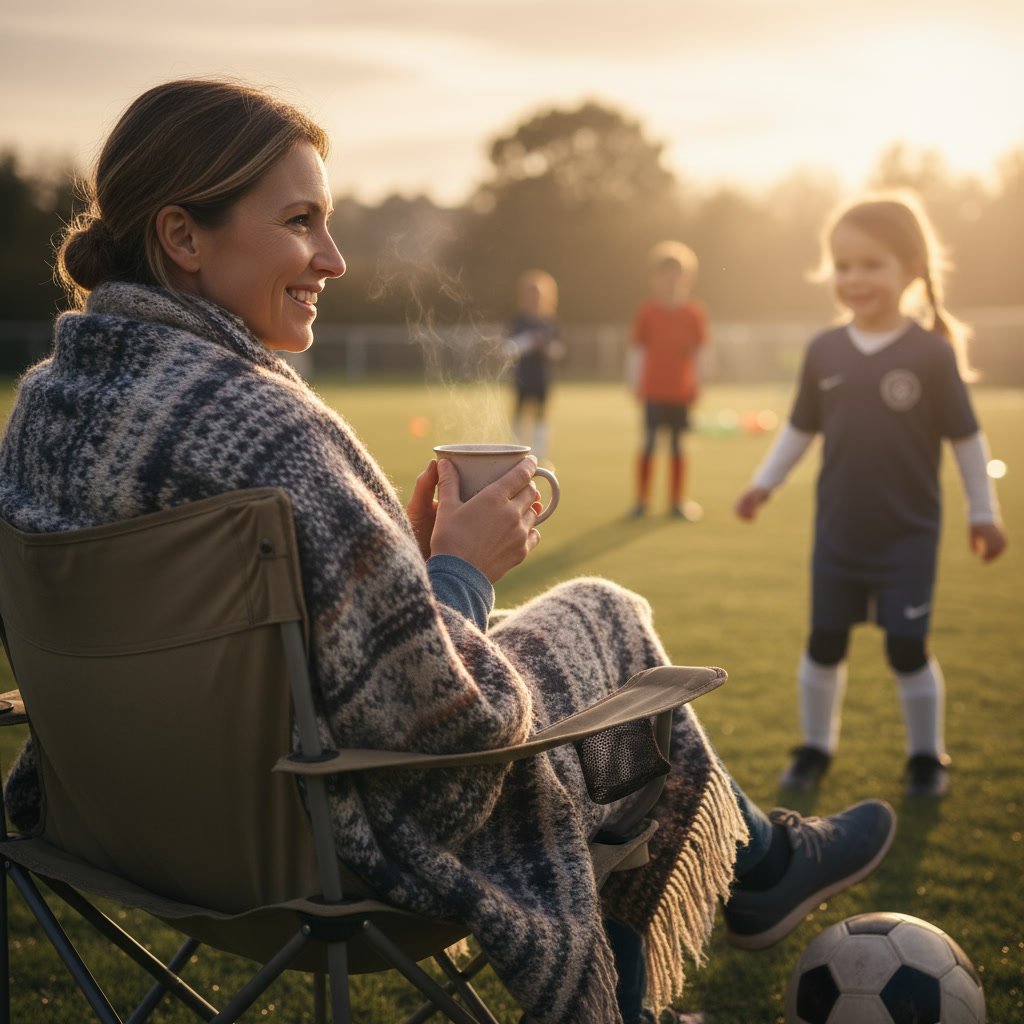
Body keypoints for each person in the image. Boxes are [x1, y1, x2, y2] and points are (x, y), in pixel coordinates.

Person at [0, 81, 896, 1024]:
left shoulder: (43, 412)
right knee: (607, 625)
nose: (334, 259)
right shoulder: (267, 428)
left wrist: (397, 572)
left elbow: (269, 659)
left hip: (124, 830)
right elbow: (447, 732)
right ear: (183, 236)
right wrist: (461, 572)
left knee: (584, 684)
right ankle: (746, 876)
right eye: (302, 221)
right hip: (324, 843)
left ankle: (754, 869)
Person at [735, 193, 1008, 799]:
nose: (854, 279)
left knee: (907, 649)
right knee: (824, 642)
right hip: (838, 534)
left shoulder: (931, 354)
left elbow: (967, 440)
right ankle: (814, 748)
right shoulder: (824, 350)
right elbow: (801, 429)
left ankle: (924, 758)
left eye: (871, 264)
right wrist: (764, 483)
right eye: (843, 265)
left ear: (910, 268)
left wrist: (984, 513)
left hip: (907, 538)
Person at [629, 241, 708, 521]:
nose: (671, 279)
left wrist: (699, 382)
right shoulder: (648, 311)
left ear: (687, 277)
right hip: (653, 390)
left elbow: (701, 351)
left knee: (677, 444)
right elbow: (637, 349)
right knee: (649, 442)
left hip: (681, 391)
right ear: (655, 277)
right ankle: (641, 501)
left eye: (677, 273)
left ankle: (676, 501)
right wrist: (634, 382)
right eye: (666, 273)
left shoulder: (693, 313)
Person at [504, 269, 564, 464]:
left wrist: (546, 346)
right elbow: (508, 348)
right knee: (519, 416)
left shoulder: (550, 321)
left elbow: (559, 350)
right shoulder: (519, 321)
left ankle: (539, 456)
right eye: (531, 295)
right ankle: (514, 454)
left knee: (541, 417)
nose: (535, 299)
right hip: (523, 377)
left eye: (538, 295)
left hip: (542, 378)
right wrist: (530, 342)